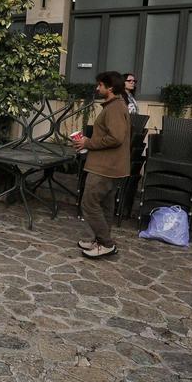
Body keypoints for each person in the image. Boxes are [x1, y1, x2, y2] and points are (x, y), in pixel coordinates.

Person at [74, 71, 131, 259]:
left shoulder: (114, 108)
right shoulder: (114, 106)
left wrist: (88, 143)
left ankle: (106, 243)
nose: (97, 88)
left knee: (89, 203)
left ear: (110, 88)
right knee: (104, 205)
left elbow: (116, 137)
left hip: (105, 166)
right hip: (110, 166)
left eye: (100, 85)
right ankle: (101, 240)